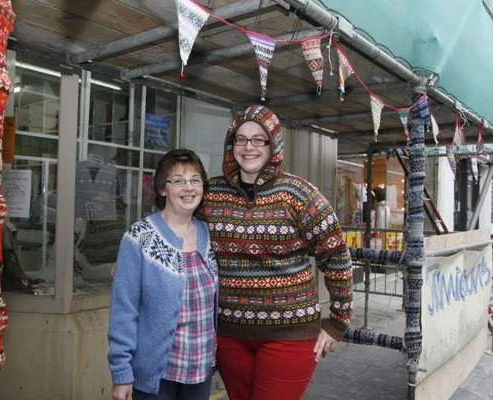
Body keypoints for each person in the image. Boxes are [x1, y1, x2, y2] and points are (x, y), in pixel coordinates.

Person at [198, 105, 353, 400]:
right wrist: (139, 255)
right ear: (231, 144)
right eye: (241, 139)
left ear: (274, 145)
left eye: (259, 139)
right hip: (230, 333)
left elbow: (336, 257)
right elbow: (176, 223)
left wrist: (337, 322)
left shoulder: (299, 194)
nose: (249, 147)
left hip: (289, 335)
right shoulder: (210, 194)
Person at [108, 149, 218, 400]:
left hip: (200, 370)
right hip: (157, 375)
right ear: (162, 189)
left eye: (195, 180)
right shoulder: (139, 236)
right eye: (178, 181)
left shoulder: (207, 233)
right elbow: (123, 310)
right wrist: (121, 373)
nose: (188, 188)